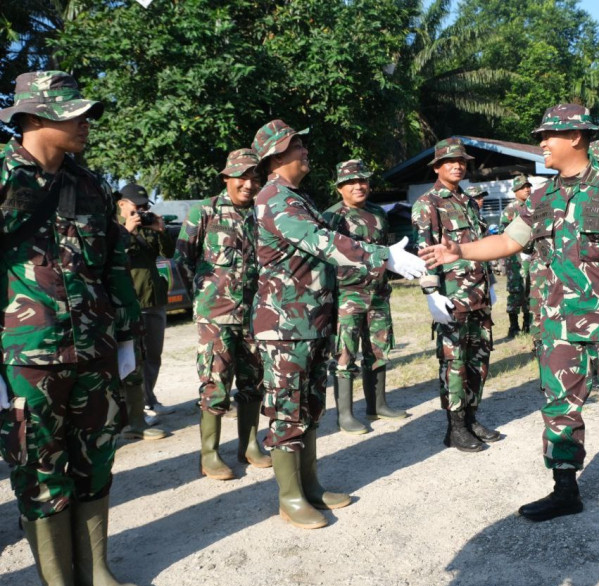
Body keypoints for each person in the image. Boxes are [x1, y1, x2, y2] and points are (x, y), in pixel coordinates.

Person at [419, 104, 599, 520]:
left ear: (575, 137)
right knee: (559, 404)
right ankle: (565, 487)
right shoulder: (541, 196)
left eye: (548, 136)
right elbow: (508, 241)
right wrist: (458, 250)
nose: (542, 144)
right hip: (557, 322)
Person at [0, 71, 145, 586]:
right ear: (35, 118)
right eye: (73, 115)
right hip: (26, 355)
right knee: (38, 468)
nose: (85, 124)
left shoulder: (89, 185)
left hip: (94, 349)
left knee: (96, 458)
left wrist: (125, 337)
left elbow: (113, 263)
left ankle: (95, 572)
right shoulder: (4, 178)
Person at [251, 119, 425, 529]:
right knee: (288, 410)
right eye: (297, 145)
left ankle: (310, 485)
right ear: (276, 155)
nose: (305, 151)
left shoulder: (298, 197)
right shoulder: (274, 199)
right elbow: (322, 241)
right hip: (285, 327)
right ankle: (290, 497)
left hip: (311, 321)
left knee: (310, 407)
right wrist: (383, 256)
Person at [174, 149, 272, 480]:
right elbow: (182, 260)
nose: (249, 184)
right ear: (226, 177)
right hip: (216, 317)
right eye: (242, 177)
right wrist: (203, 303)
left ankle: (249, 445)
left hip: (254, 315)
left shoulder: (261, 214)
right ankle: (209, 454)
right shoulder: (205, 211)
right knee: (215, 383)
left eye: (255, 178)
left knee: (253, 382)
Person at [412, 138, 500, 453]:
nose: (457, 166)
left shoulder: (468, 201)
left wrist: (490, 282)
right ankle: (456, 427)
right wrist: (431, 294)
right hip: (451, 298)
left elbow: (480, 245)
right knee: (454, 362)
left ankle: (472, 418)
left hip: (478, 295)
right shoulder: (428, 204)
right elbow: (425, 254)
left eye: (461, 161)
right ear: (437, 167)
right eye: (450, 161)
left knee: (479, 359)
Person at [323, 160, 408, 434]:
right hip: (347, 295)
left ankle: (377, 405)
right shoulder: (331, 217)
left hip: (378, 293)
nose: (358, 186)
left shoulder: (378, 213)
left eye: (363, 180)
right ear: (339, 188)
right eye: (351, 182)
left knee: (378, 349)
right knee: (345, 353)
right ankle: (345, 415)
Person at [116, 183, 170, 441]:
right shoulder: (113, 228)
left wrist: (161, 231)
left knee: (154, 355)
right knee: (132, 360)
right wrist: (127, 231)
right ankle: (131, 413)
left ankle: (149, 399)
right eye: (136, 206)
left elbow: (168, 253)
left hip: (154, 298)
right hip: (130, 301)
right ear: (122, 204)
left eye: (144, 206)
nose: (141, 210)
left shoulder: (148, 225)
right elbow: (112, 255)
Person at [498, 174, 532, 338]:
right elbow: (503, 234)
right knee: (515, 289)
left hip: (531, 256)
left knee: (530, 290)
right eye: (523, 187)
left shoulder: (533, 207)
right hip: (515, 258)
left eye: (528, 186)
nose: (527, 189)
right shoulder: (510, 210)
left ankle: (528, 323)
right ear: (515, 190)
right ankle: (513, 326)